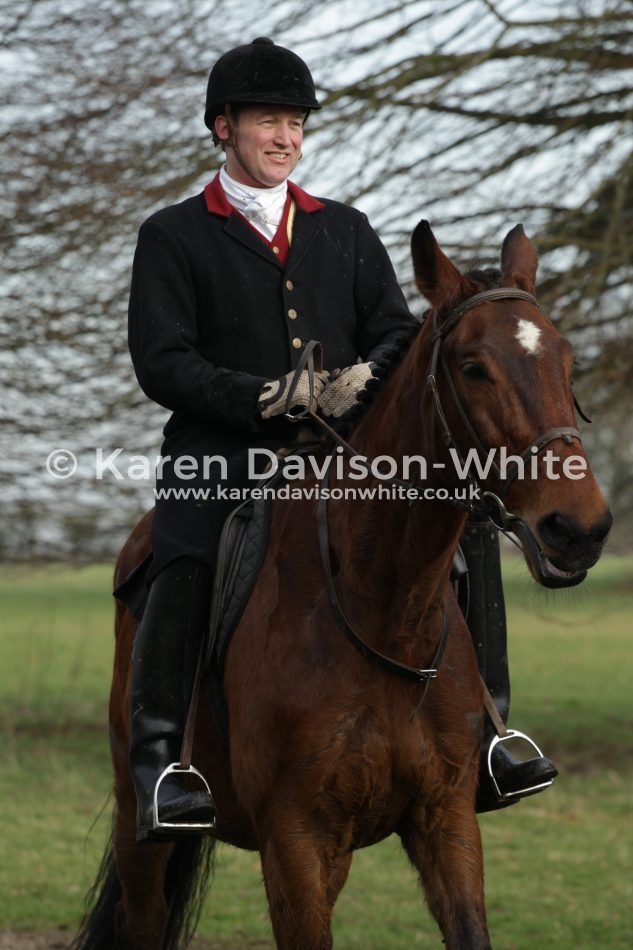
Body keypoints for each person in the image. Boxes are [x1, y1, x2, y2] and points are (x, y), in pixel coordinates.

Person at [124, 37, 556, 842]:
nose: (284, 137)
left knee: (464, 523)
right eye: (267, 122)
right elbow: (162, 360)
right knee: (183, 545)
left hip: (344, 451)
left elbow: (395, 330)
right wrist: (260, 396)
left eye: (294, 123)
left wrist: (362, 377)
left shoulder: (345, 229)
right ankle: (162, 764)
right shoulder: (173, 233)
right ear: (223, 127)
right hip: (223, 449)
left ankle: (493, 735)